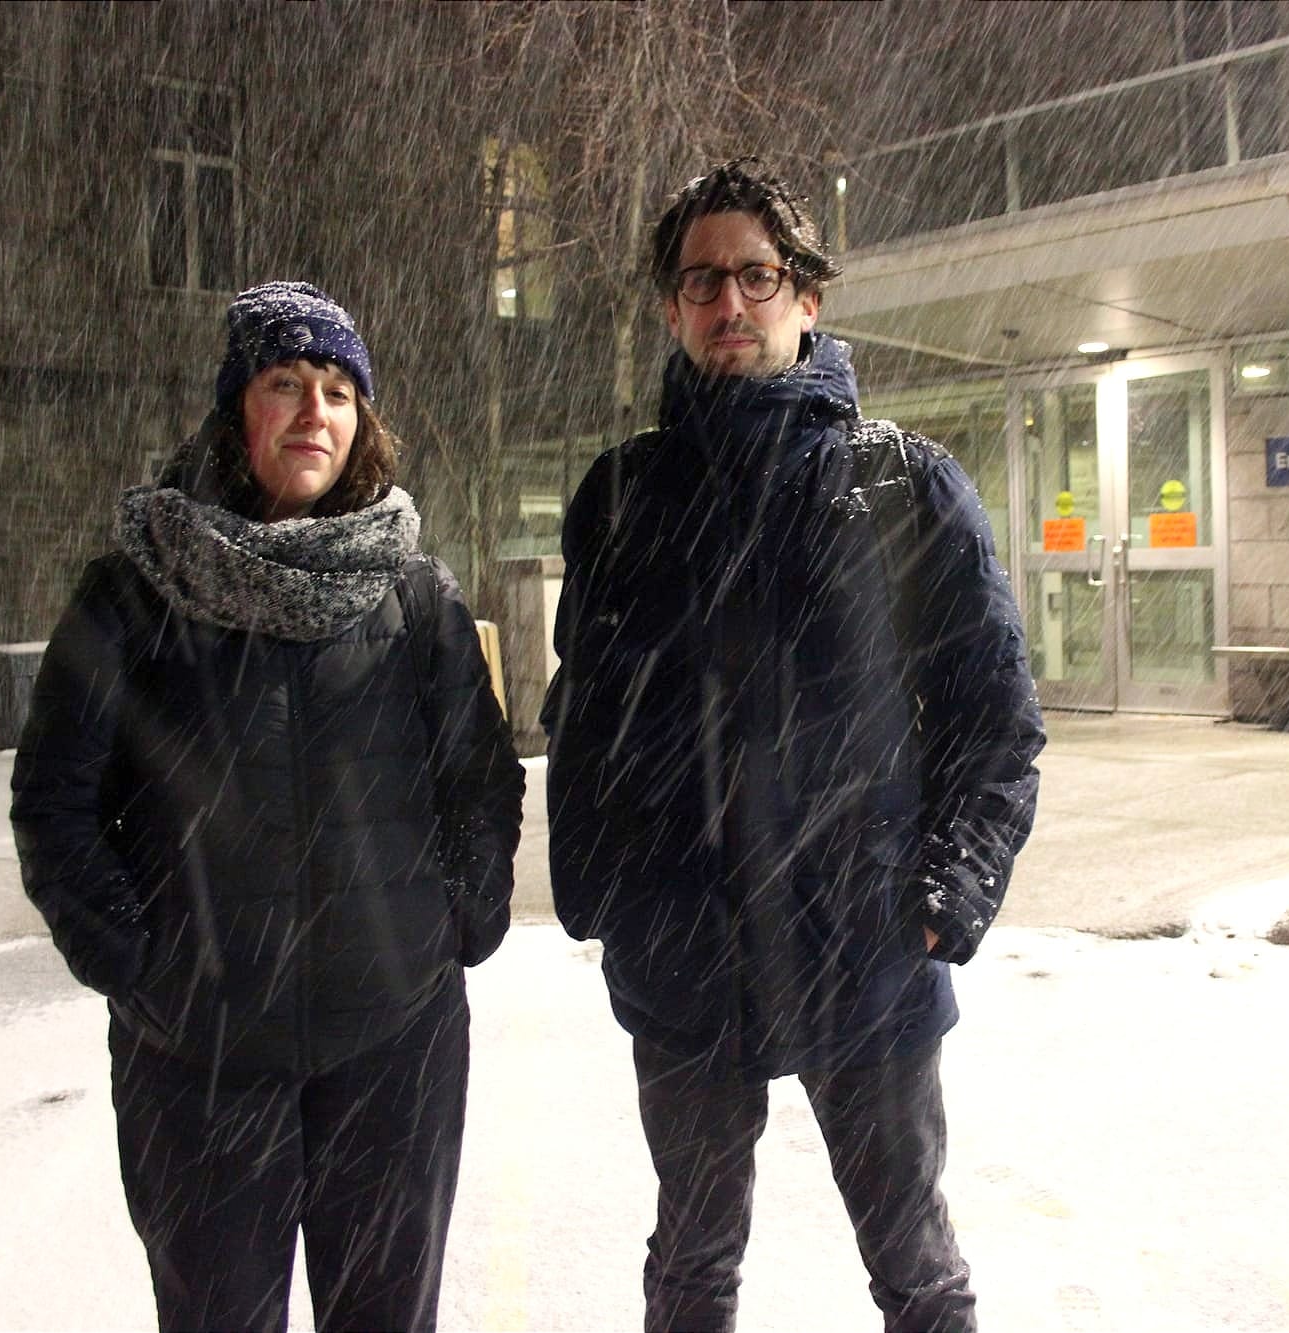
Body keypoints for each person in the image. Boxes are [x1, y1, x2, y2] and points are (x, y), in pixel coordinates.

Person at [543, 159, 1044, 1333]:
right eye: (702, 281)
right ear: (673, 307)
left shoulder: (900, 486)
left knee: (914, 1268)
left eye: (756, 277)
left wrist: (943, 893)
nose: (730, 304)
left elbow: (995, 719)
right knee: (691, 1265)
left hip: (862, 946)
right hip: (684, 955)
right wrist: (599, 889)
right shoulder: (622, 496)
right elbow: (584, 713)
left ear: (806, 298)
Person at [10, 281, 522, 1332]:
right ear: (233, 411)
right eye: (284, 383)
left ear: (362, 422)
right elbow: (54, 797)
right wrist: (131, 961)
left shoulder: (413, 595)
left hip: (392, 1046)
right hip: (198, 1062)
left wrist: (456, 925)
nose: (313, 412)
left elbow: (479, 778)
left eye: (337, 392)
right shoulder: (136, 591)